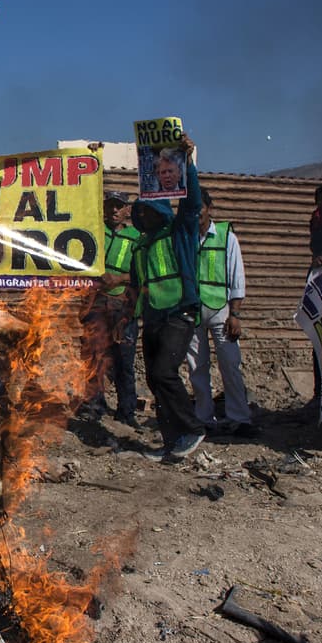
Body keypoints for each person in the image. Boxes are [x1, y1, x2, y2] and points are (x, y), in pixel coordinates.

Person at [123, 134, 206, 461]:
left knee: (163, 373)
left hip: (179, 312)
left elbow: (192, 202)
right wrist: (125, 317)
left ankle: (193, 428)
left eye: (148, 211)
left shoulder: (180, 229)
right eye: (139, 213)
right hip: (153, 317)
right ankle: (172, 442)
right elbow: (135, 285)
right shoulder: (141, 244)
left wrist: (189, 162)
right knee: (156, 382)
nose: (144, 217)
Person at [187, 190, 256, 437]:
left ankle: (239, 417)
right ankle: (203, 419)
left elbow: (237, 277)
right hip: (192, 311)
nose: (196, 214)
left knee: (230, 363)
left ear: (209, 209)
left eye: (199, 208)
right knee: (197, 367)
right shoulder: (185, 237)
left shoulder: (227, 236)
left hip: (221, 310)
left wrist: (235, 314)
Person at [78, 190, 140, 425]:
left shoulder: (137, 237)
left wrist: (120, 278)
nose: (114, 210)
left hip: (124, 303)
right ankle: (94, 405)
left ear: (127, 210)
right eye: (110, 205)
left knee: (124, 358)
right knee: (93, 355)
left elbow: (142, 271)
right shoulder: (93, 233)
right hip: (96, 301)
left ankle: (127, 411)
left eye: (119, 206)